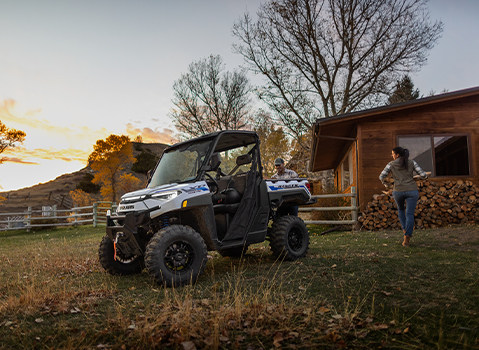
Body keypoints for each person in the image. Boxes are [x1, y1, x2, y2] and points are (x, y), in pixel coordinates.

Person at [379, 146, 428, 246]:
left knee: (401, 210)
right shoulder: (412, 162)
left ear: (397, 155)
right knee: (409, 214)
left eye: (392, 154)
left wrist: (387, 185)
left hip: (398, 191)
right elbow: (423, 175)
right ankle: (407, 237)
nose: (392, 155)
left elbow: (381, 176)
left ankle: (405, 231)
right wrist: (421, 178)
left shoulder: (391, 164)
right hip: (412, 190)